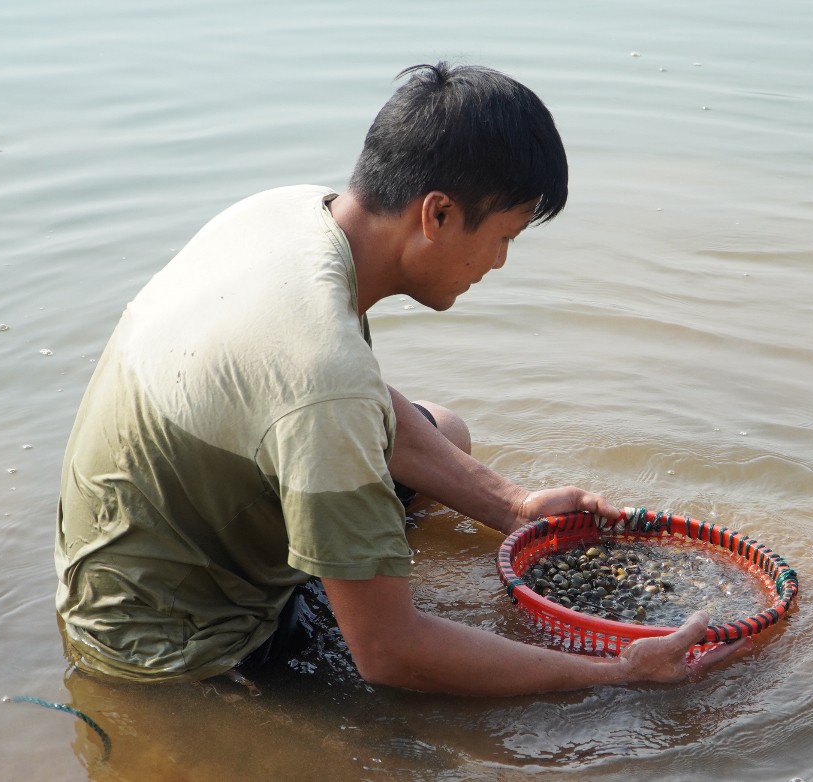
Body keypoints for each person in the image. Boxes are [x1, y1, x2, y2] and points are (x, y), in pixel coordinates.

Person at [54, 61, 746, 695]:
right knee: (417, 725)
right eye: (503, 236)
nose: (500, 262)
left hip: (163, 527)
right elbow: (389, 653)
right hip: (168, 641)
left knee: (445, 430)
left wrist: (513, 507)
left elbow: (342, 396)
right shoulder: (322, 376)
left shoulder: (293, 215)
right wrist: (617, 672)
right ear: (437, 213)